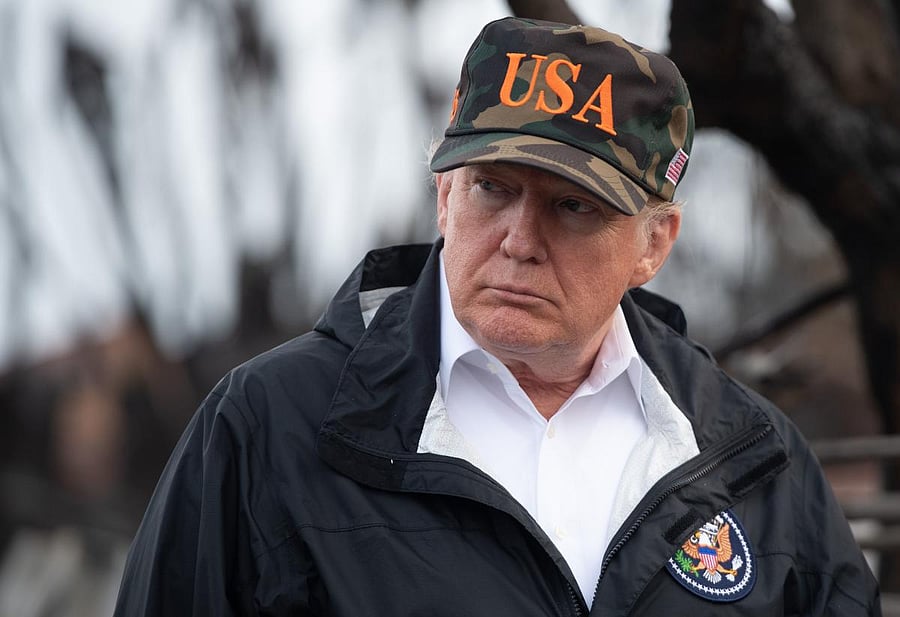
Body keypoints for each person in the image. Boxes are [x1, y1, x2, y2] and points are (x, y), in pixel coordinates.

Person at [114, 16, 881, 616]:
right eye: (492, 188)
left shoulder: (754, 462)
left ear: (654, 243)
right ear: (444, 194)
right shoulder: (268, 429)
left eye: (573, 205)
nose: (519, 240)